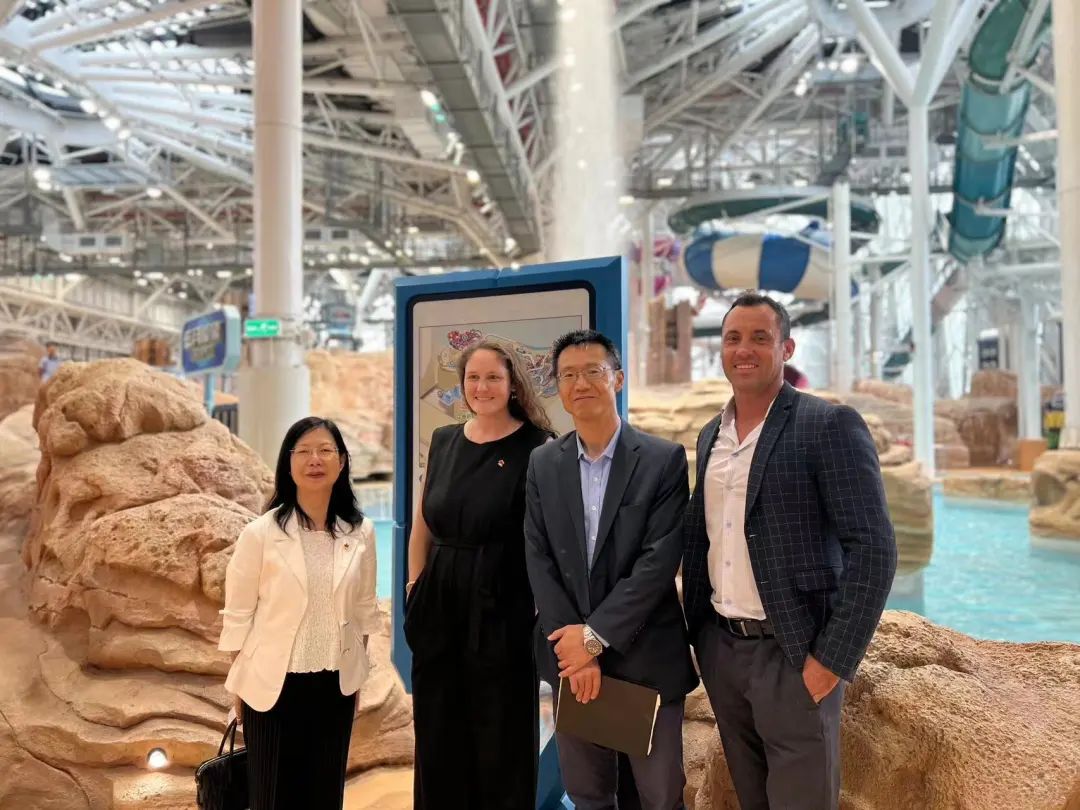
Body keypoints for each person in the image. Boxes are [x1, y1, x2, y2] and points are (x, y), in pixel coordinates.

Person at [681, 293, 898, 810]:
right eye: (732, 338)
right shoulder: (712, 434)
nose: (744, 349)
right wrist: (701, 640)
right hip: (723, 650)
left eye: (759, 337)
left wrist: (830, 662)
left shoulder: (827, 426)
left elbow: (874, 548)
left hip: (794, 653)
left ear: (786, 348)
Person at [524, 329, 697, 810]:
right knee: (588, 793)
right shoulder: (543, 463)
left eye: (593, 372)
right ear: (558, 388)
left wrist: (594, 638)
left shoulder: (662, 460)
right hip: (573, 664)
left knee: (660, 795)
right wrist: (574, 649)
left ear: (617, 378)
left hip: (644, 659)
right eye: (568, 375)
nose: (581, 383)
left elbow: (658, 561)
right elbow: (538, 556)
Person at [404, 339, 555, 809]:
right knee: (438, 730)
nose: (482, 386)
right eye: (473, 377)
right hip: (439, 601)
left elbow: (546, 539)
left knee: (498, 734)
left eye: (493, 377)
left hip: (502, 603)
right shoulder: (445, 441)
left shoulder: (538, 447)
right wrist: (414, 587)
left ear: (513, 385)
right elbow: (423, 523)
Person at [218, 416, 378, 810]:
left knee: (324, 796)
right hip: (271, 688)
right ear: (288, 464)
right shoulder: (260, 533)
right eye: (303, 451)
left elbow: (364, 611)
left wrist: (355, 677)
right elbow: (238, 614)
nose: (315, 460)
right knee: (271, 796)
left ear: (342, 462)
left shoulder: (360, 532)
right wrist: (240, 685)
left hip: (334, 686)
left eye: (326, 450)